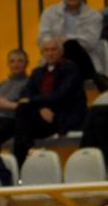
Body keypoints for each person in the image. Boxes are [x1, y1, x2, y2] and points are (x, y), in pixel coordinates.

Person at [12, 36, 88, 166]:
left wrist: (33, 102)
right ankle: (28, 152)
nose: (50, 53)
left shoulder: (71, 69)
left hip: (63, 115)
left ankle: (23, 163)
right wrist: (40, 108)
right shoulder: (37, 72)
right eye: (46, 50)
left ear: (61, 52)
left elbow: (60, 96)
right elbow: (24, 94)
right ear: (42, 53)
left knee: (21, 126)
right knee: (21, 114)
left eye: (53, 49)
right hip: (43, 116)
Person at [40, 0, 108, 91]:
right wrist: (57, 46)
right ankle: (96, 78)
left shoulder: (94, 15)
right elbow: (43, 37)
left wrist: (66, 40)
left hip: (82, 61)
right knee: (67, 46)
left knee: (71, 45)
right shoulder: (49, 13)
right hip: (55, 58)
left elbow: (90, 41)